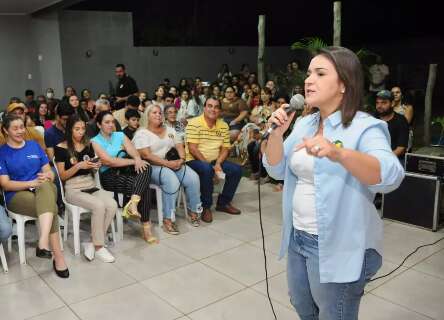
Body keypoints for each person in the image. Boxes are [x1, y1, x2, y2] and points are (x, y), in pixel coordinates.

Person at [263, 46, 405, 319]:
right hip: (297, 237)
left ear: (343, 84)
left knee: (334, 313)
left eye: (319, 73)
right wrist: (278, 135)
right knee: (303, 307)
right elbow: (277, 169)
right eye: (308, 74)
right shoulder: (305, 124)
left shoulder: (365, 127)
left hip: (337, 245)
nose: (308, 80)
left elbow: (390, 175)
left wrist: (339, 153)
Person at [0, 114, 69, 278]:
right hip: (17, 195)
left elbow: (49, 171)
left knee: (47, 188)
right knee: (50, 207)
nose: (20, 131)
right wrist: (31, 183)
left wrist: (47, 176)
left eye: (22, 127)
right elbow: (5, 184)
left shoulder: (34, 145)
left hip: (41, 189)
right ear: (5, 130)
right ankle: (58, 257)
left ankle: (43, 242)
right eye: (15, 128)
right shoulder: (2, 153)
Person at [55, 115, 117, 262]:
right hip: (72, 188)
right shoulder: (60, 148)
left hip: (89, 184)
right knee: (99, 205)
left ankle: (93, 242)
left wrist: (96, 167)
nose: (81, 132)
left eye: (83, 128)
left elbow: (91, 170)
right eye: (77, 129)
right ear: (69, 129)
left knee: (112, 204)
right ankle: (99, 247)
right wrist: (78, 166)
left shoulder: (88, 145)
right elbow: (62, 176)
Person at [133, 105, 202, 234]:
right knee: (171, 180)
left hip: (169, 163)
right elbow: (146, 155)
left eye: (160, 112)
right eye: (154, 112)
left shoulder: (170, 130)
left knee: (193, 178)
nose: (158, 115)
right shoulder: (142, 133)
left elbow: (180, 146)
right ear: (147, 116)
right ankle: (168, 219)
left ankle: (194, 211)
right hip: (150, 167)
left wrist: (181, 160)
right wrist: (167, 164)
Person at [91, 111, 156, 244]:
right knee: (145, 188)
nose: (111, 125)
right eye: (106, 122)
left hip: (124, 170)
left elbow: (132, 150)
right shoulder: (94, 141)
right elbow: (109, 161)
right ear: (99, 125)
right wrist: (134, 161)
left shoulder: (119, 135)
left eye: (112, 122)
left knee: (147, 166)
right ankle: (146, 228)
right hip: (108, 175)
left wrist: (137, 158)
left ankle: (133, 203)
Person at [186, 97, 242, 223]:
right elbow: (193, 149)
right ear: (204, 108)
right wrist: (211, 167)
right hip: (194, 160)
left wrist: (217, 164)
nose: (213, 109)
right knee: (206, 169)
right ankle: (206, 207)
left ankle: (223, 203)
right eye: (210, 106)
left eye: (216, 107)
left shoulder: (223, 125)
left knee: (236, 170)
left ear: (220, 110)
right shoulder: (194, 123)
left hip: (214, 160)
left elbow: (225, 148)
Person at [375, 90, 409, 161]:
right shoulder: (372, 119)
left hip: (394, 159)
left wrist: (383, 159)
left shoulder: (401, 121)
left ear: (392, 103)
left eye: (384, 103)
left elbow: (401, 148)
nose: (379, 106)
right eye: (377, 103)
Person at [391, 86, 414, 151]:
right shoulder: (389, 108)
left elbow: (405, 125)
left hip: (402, 137)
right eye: (392, 93)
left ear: (402, 95)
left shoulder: (407, 108)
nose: (395, 94)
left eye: (397, 92)